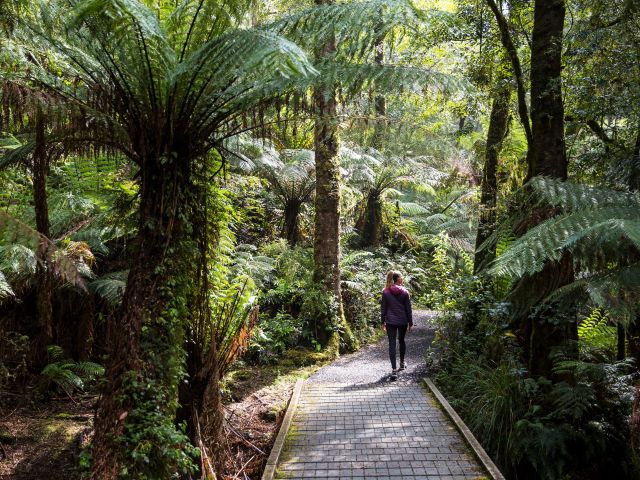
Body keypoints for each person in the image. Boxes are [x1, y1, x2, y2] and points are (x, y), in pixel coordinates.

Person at [381, 270, 413, 380]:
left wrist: (382, 322)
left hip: (390, 322)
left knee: (392, 344)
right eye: (401, 277)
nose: (402, 278)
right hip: (403, 321)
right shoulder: (405, 292)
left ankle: (394, 370)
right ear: (397, 279)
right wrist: (410, 323)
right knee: (401, 340)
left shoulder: (386, 292)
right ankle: (402, 363)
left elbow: (383, 309)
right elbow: (408, 309)